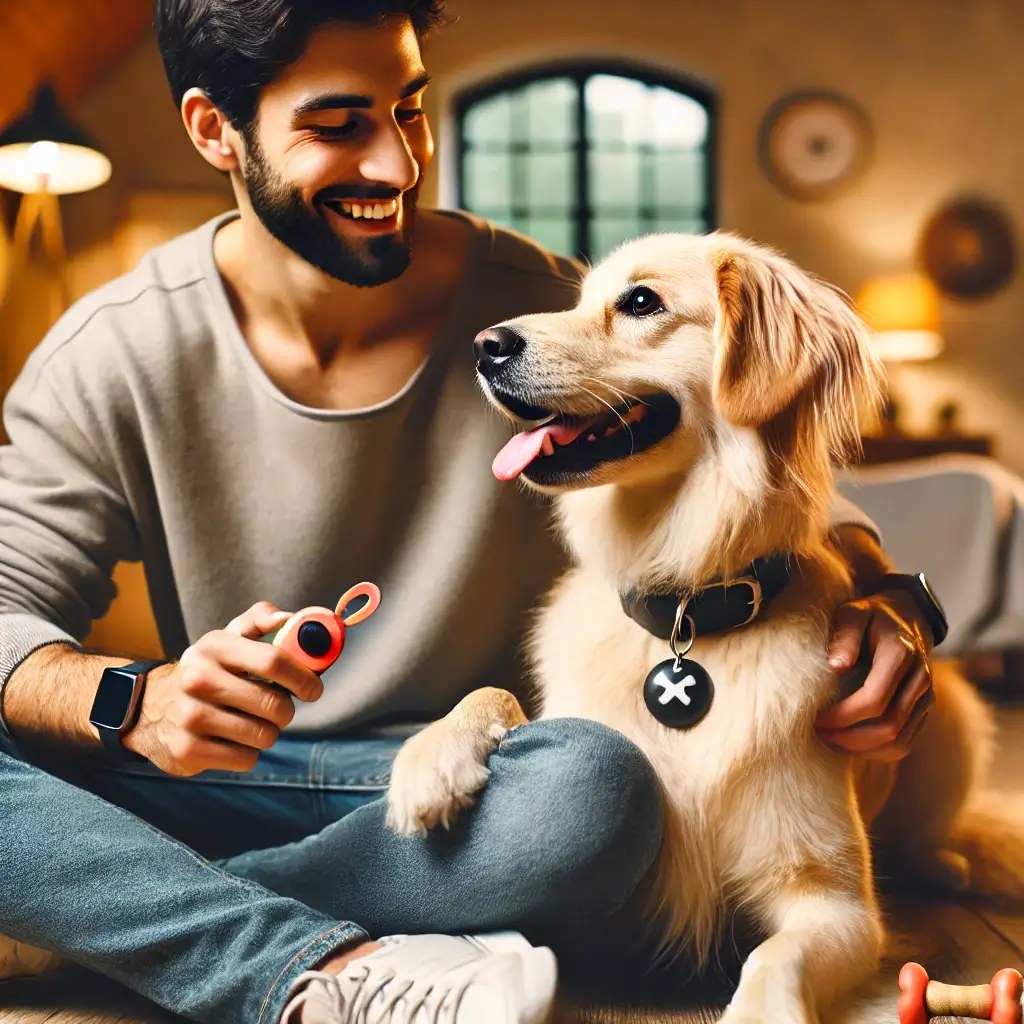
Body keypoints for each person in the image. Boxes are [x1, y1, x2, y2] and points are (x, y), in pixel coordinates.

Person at [0, 1, 938, 1021]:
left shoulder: (540, 315)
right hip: (232, 781)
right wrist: (132, 701)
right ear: (213, 129)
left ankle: (128, 907)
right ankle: (309, 964)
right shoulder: (110, 352)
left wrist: (891, 602)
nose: (399, 165)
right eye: (336, 125)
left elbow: (763, 482)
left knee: (592, 787)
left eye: (408, 111)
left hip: (500, 795)